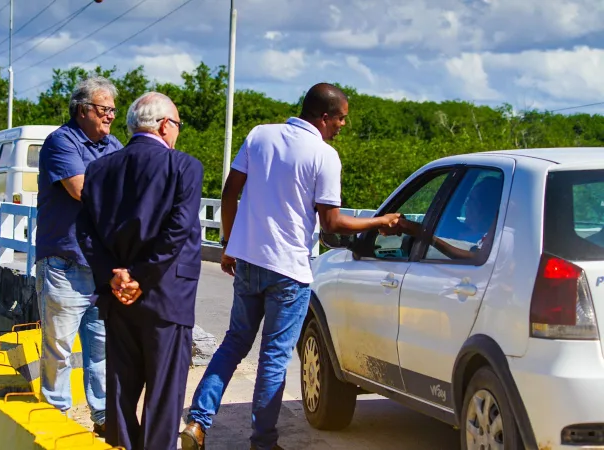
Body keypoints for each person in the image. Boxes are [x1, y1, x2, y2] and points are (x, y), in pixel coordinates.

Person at [180, 83, 401, 450]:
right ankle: (263, 442)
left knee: (233, 345)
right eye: (342, 118)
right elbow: (331, 223)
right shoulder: (324, 155)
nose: (344, 125)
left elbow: (230, 191)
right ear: (325, 116)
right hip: (290, 272)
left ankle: (197, 424)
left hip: (248, 261)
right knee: (273, 359)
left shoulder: (259, 136)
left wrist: (229, 244)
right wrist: (380, 222)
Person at [77, 91, 203, 450]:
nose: (177, 132)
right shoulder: (184, 166)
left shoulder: (100, 169)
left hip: (117, 297)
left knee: (120, 388)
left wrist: (115, 276)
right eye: (177, 125)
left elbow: (85, 231)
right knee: (164, 394)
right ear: (165, 125)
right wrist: (140, 277)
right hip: (167, 296)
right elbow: (177, 230)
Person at [34, 75, 122, 434]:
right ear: (83, 110)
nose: (111, 117)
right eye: (105, 110)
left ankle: (104, 419)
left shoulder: (113, 144)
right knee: (59, 350)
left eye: (114, 111)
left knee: (101, 350)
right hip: (64, 264)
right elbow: (81, 190)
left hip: (100, 267)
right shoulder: (61, 142)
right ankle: (57, 421)